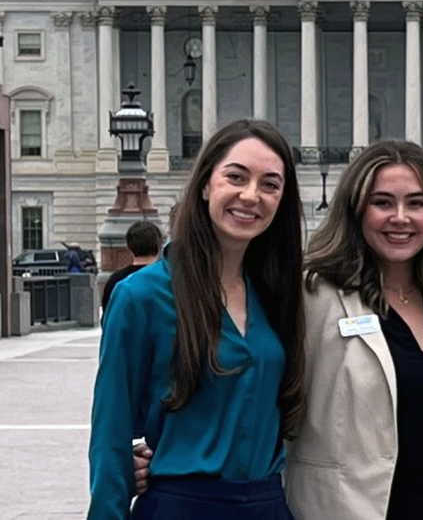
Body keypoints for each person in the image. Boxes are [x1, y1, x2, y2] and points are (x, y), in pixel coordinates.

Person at [88, 119, 307, 520]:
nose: (251, 195)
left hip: (267, 506)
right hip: (181, 507)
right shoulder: (141, 297)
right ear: (206, 184)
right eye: (236, 177)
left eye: (270, 184)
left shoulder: (280, 294)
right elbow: (111, 431)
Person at [282, 140, 423, 520]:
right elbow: (266, 404)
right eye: (382, 203)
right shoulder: (313, 295)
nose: (400, 217)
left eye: (416, 203)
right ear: (356, 211)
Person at [100, 220, 164, 322]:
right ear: (158, 245)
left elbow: (107, 320)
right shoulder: (168, 279)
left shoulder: (116, 281)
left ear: (129, 247)